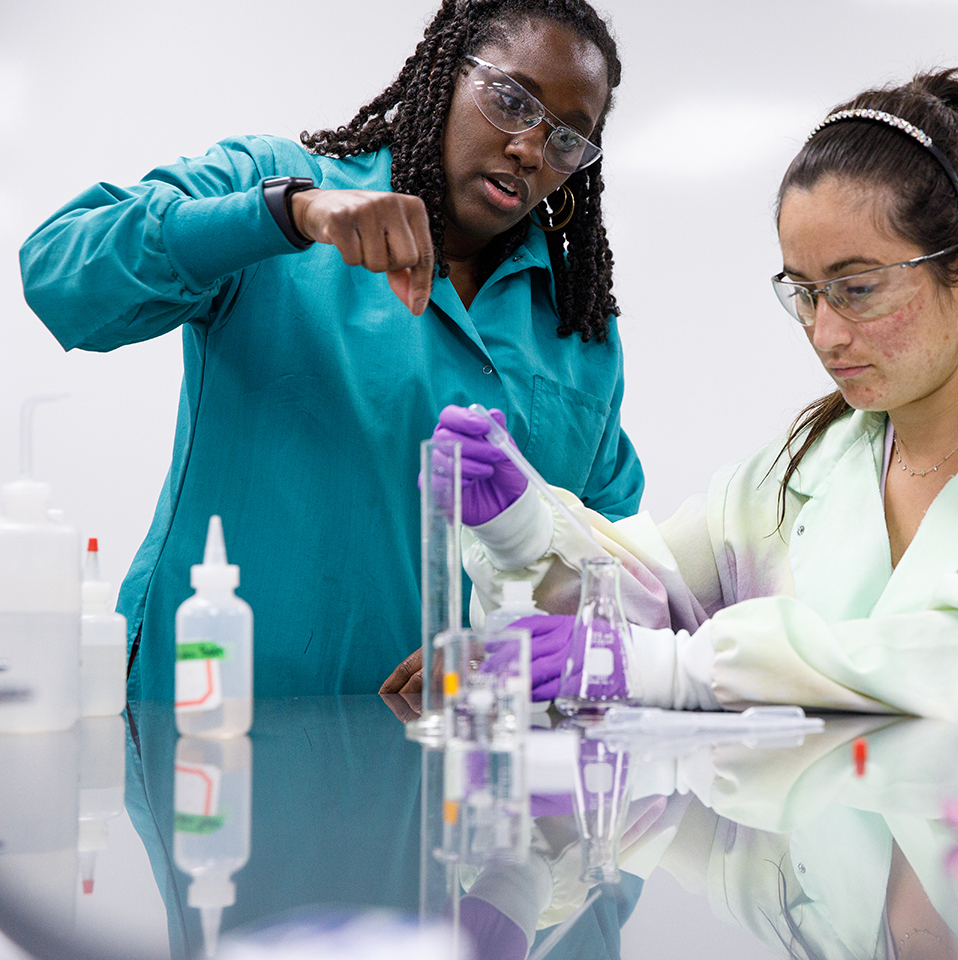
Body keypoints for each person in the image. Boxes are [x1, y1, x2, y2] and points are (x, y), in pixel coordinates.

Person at [398, 68, 958, 765]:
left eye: (857, 288)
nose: (825, 333)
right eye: (803, 292)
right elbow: (645, 602)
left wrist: (688, 669)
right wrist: (525, 527)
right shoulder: (813, 464)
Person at [19, 0, 643, 700]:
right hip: (209, 729)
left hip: (447, 754)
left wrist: (528, 642)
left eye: (566, 138)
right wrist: (284, 215)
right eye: (511, 100)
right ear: (446, 77)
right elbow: (58, 272)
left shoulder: (579, 326)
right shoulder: (285, 192)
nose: (529, 148)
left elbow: (612, 553)